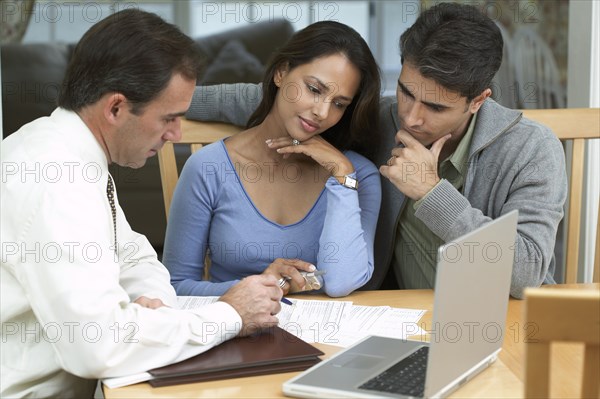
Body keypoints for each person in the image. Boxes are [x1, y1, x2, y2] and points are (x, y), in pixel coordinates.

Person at [183, 3, 567, 299]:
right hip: (396, 318)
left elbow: (527, 274)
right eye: (406, 92)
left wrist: (432, 193)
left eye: (435, 107)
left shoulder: (531, 149)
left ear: (478, 101)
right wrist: (163, 100)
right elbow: (271, 99)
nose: (411, 118)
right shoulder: (381, 121)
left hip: (501, 321)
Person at [0, 9, 282, 398]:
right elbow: (99, 346)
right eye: (169, 117)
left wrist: (159, 309)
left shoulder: (69, 151)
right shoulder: (58, 180)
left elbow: (134, 255)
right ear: (115, 108)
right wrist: (229, 315)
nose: (176, 133)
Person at [162, 21, 382, 298]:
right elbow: (176, 286)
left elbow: (340, 283)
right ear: (281, 73)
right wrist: (261, 286)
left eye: (339, 104)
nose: (322, 112)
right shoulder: (208, 168)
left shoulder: (357, 175)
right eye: (314, 89)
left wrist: (343, 177)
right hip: (233, 330)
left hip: (327, 337)